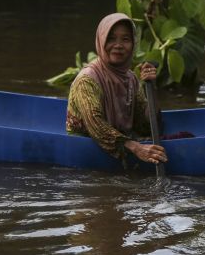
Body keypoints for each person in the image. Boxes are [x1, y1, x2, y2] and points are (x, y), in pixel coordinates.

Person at [66, 13, 168, 166]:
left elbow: (145, 126)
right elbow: (97, 127)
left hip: (123, 141)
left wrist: (151, 88)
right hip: (86, 150)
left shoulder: (131, 79)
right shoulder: (87, 80)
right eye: (111, 38)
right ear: (101, 40)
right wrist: (137, 148)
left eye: (125, 39)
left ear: (133, 44)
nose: (118, 45)